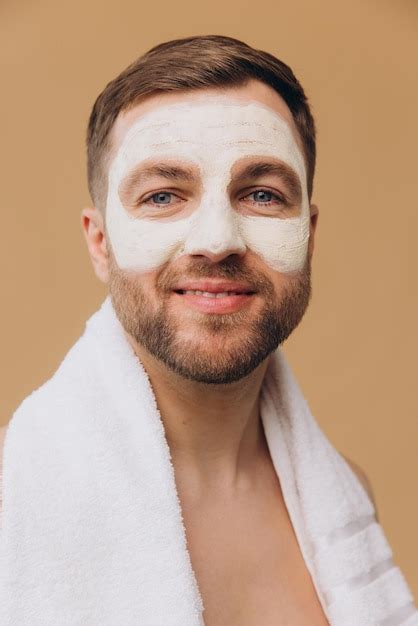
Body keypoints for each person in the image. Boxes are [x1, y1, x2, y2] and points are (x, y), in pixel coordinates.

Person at [0, 35, 416, 626]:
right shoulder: (8, 500)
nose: (217, 240)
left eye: (262, 195)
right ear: (101, 243)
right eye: (164, 195)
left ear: (309, 235)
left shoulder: (346, 492)